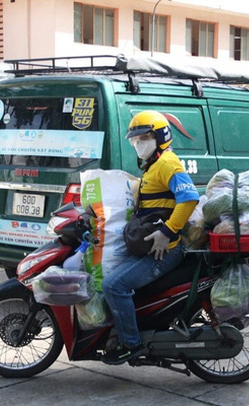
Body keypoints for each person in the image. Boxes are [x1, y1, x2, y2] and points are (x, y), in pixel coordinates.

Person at [101, 110, 199, 365]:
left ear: (160, 137)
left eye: (144, 138)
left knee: (114, 285)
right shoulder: (153, 166)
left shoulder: (167, 163)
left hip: (164, 250)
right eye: (135, 140)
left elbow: (189, 198)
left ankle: (130, 344)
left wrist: (167, 232)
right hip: (151, 246)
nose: (138, 144)